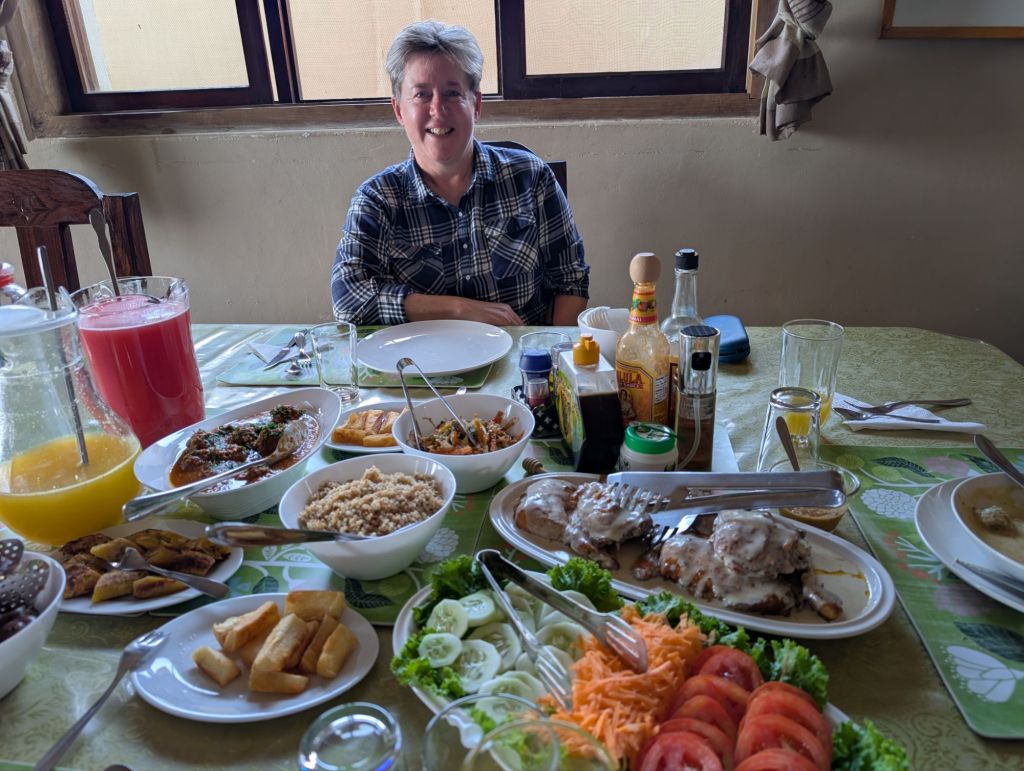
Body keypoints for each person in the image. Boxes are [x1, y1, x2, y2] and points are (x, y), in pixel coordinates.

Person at [330, 20, 589, 327]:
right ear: (399, 110)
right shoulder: (377, 200)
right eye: (422, 95)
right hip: (420, 357)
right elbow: (348, 300)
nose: (438, 110)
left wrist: (550, 351)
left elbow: (571, 281)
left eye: (452, 93)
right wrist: (458, 309)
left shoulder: (531, 179)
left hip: (522, 354)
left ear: (475, 104)